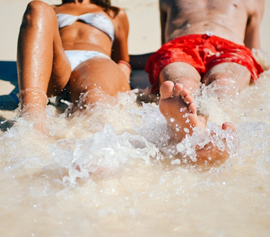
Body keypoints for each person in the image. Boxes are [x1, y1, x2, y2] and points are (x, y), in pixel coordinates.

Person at [142, 0, 265, 164]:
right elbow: (163, 42)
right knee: (182, 83)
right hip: (180, 45)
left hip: (230, 48)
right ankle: (205, 132)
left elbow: (253, 50)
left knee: (223, 82)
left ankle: (205, 129)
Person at [17, 0, 131, 131]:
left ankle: (94, 143)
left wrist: (123, 69)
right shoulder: (54, 9)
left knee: (94, 98)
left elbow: (122, 58)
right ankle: (32, 117)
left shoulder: (114, 13)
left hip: (95, 60)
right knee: (38, 8)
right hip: (57, 60)